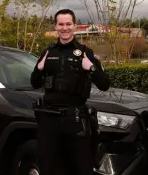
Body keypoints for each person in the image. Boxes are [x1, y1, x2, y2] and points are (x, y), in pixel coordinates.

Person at [30, 9, 111, 175]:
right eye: (61, 24)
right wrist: (39, 68)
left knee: (81, 168)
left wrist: (91, 67)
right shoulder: (48, 52)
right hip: (49, 120)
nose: (64, 28)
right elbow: (34, 83)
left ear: (75, 26)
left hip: (75, 120)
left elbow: (104, 84)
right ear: (55, 26)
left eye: (68, 24)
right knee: (49, 167)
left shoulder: (85, 53)